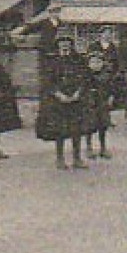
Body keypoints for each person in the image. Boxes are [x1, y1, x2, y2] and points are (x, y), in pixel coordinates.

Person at [36, 35, 89, 170]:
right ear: (58, 45)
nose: (65, 45)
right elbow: (47, 81)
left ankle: (77, 158)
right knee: (60, 130)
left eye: (67, 43)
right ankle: (60, 158)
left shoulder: (78, 60)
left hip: (76, 100)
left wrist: (78, 93)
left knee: (76, 129)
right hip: (58, 101)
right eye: (62, 43)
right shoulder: (51, 61)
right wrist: (58, 94)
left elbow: (84, 78)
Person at [83, 48, 116, 160]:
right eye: (92, 62)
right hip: (90, 103)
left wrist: (111, 97)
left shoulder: (106, 75)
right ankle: (89, 147)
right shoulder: (85, 76)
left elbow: (111, 88)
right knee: (89, 126)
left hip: (102, 102)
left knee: (103, 125)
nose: (95, 65)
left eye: (98, 62)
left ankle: (103, 148)